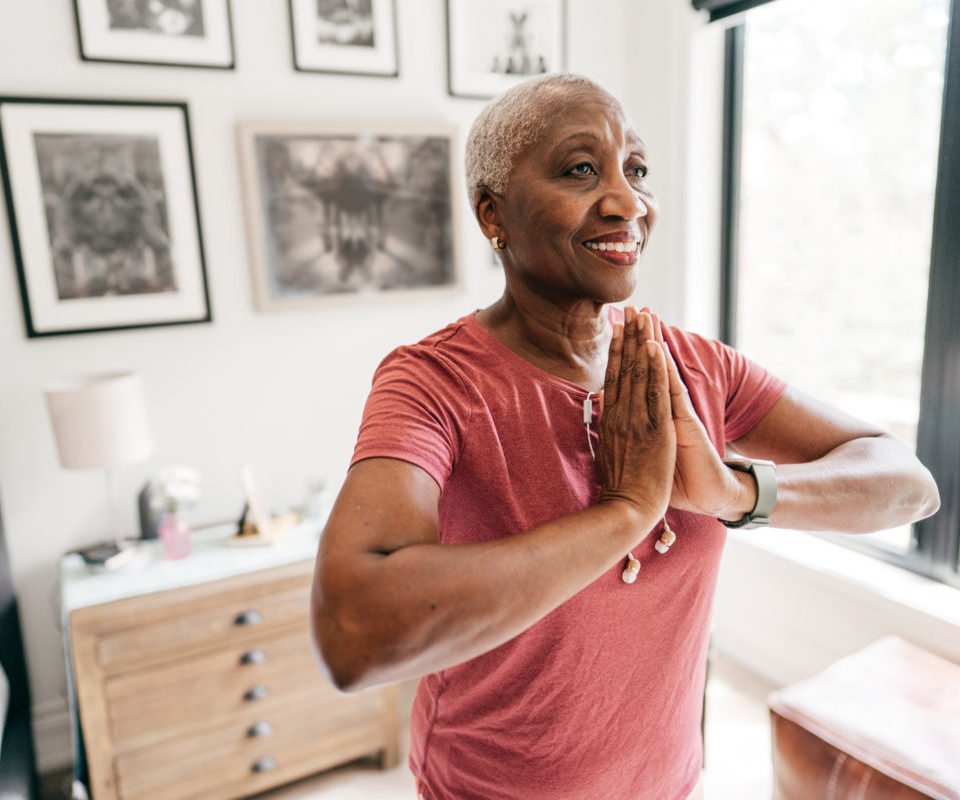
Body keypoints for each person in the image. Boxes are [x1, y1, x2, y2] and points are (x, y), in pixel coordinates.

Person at [310, 73, 940, 800]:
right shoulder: (433, 383)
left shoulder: (694, 365)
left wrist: (734, 490)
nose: (627, 202)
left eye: (635, 170)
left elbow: (907, 484)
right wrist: (625, 513)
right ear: (494, 213)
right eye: (582, 169)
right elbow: (352, 635)